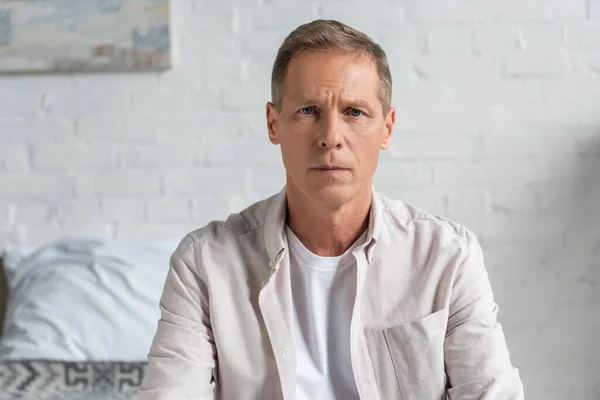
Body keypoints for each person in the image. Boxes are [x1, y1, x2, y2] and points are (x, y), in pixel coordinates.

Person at [138, 19, 524, 400]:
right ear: (273, 124)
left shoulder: (446, 257)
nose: (330, 138)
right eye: (308, 111)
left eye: (354, 112)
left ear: (387, 128)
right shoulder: (205, 263)